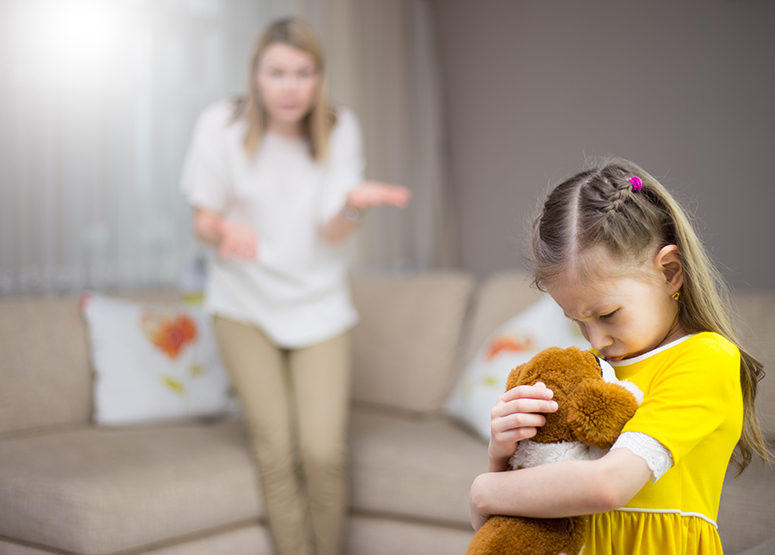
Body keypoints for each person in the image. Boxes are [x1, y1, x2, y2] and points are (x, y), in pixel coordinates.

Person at [179, 18, 410, 555]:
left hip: (319, 308)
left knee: (323, 451)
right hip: (243, 305)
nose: (290, 86)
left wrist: (354, 205)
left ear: (319, 77)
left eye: (303, 73)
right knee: (275, 447)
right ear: (256, 76)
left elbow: (330, 229)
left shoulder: (339, 126)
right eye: (277, 72)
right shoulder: (222, 125)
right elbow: (201, 221)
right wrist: (224, 227)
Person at [468, 158, 770, 553]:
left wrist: (482, 488)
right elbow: (500, 528)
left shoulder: (706, 357)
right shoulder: (594, 371)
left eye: (607, 314)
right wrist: (502, 453)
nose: (596, 339)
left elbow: (609, 486)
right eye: (575, 320)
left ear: (670, 272)